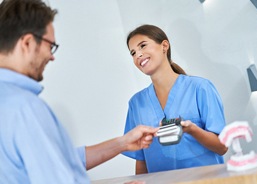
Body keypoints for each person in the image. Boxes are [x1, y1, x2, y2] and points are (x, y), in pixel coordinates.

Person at [0, 1, 158, 183]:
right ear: (27, 43)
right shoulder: (26, 108)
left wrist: (122, 143)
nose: (51, 56)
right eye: (50, 46)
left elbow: (60, 160)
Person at [122, 24, 228, 174]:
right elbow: (141, 159)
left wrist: (192, 130)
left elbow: (222, 147)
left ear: (164, 46)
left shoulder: (200, 88)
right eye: (133, 52)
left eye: (143, 46)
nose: (138, 55)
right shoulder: (136, 104)